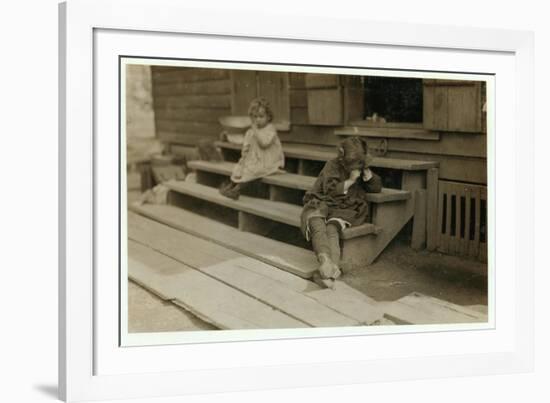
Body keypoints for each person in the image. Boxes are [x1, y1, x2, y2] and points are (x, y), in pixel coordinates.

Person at [300, 136, 382, 288]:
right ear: (342, 157)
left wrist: (368, 176)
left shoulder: (361, 167)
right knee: (316, 221)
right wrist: (350, 181)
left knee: (332, 228)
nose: (355, 168)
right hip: (324, 201)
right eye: (352, 165)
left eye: (359, 164)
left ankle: (332, 269)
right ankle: (325, 260)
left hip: (346, 208)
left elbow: (376, 187)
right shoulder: (332, 165)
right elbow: (329, 191)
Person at [219, 97, 284, 200]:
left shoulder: (270, 129)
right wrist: (244, 155)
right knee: (240, 166)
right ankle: (230, 187)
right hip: (255, 158)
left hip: (268, 159)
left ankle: (237, 190)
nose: (257, 119)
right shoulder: (251, 131)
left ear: (268, 117)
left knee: (251, 170)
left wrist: (255, 131)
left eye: (261, 116)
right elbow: (246, 144)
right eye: (255, 117)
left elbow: (264, 143)